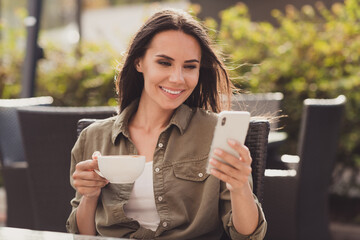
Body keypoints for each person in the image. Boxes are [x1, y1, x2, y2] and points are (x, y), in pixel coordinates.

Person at [66, 8, 267, 239]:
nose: (177, 78)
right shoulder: (93, 137)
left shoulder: (215, 134)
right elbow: (82, 235)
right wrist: (89, 196)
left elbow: (248, 236)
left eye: (190, 66)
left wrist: (240, 187)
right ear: (139, 62)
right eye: (164, 63)